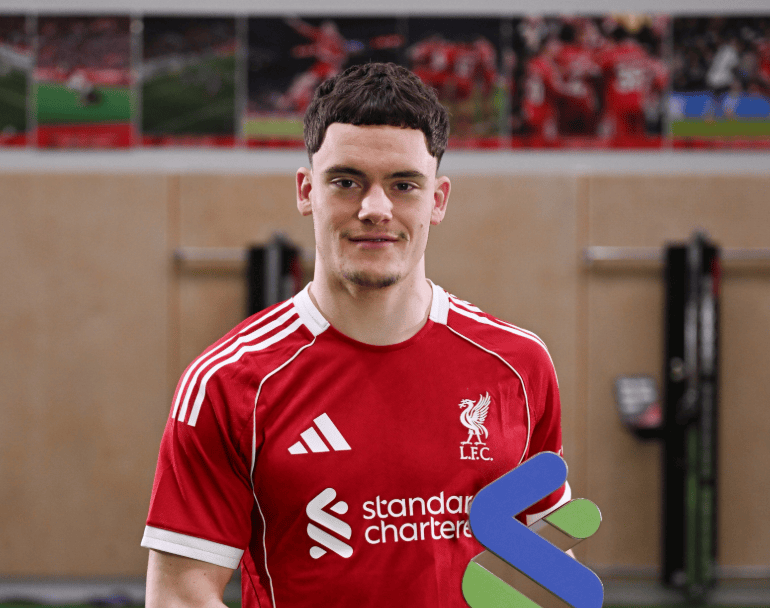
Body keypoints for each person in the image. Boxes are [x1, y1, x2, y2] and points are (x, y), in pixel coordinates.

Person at [142, 61, 570, 608]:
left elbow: (547, 561)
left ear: (438, 200)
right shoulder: (229, 384)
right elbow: (179, 594)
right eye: (346, 182)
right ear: (307, 191)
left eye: (403, 185)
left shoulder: (519, 365)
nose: (375, 209)